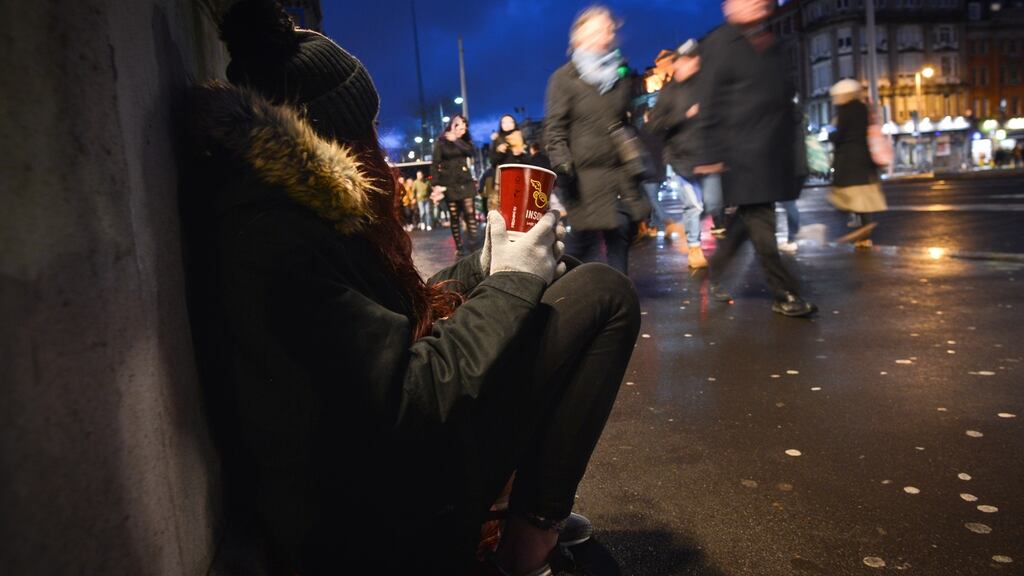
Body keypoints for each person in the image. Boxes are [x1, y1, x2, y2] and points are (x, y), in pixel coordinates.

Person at [187, 1, 641, 574]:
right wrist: (512, 280)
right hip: (371, 522)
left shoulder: (283, 209)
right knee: (605, 293)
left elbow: (384, 317)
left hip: (366, 483)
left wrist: (488, 266)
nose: (377, 144)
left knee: (570, 275)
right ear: (332, 137)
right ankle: (528, 543)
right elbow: (408, 397)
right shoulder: (276, 238)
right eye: (366, 127)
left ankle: (519, 506)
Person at [695, 0, 816, 316]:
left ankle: (716, 270)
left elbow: (784, 95)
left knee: (745, 225)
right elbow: (708, 101)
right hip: (741, 155)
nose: (758, 4)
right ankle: (785, 293)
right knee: (762, 226)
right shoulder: (719, 43)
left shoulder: (772, 42)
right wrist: (710, 154)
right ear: (729, 6)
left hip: (773, 153)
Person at [544, 5, 650, 275]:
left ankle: (618, 297)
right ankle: (563, 295)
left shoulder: (620, 74)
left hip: (618, 173)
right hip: (583, 177)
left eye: (607, 29)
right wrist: (563, 164)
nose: (604, 34)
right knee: (582, 244)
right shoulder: (564, 78)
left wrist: (634, 155)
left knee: (621, 235)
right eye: (596, 29)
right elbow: (554, 128)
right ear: (578, 36)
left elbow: (623, 123)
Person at [645, 39, 709, 267]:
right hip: (681, 158)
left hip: (707, 156)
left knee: (713, 204)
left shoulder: (703, 85)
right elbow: (653, 125)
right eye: (687, 60)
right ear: (677, 63)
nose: (692, 64)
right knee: (694, 204)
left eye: (695, 59)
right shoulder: (669, 92)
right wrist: (684, 116)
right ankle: (694, 247)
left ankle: (693, 237)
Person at [827, 78, 887, 248]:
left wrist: (832, 135)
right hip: (863, 160)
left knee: (843, 196)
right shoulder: (862, 109)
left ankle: (862, 230)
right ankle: (865, 235)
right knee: (864, 198)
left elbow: (840, 136)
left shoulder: (845, 111)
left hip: (848, 161)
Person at [432, 114, 479, 257]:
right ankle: (459, 245)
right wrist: (435, 184)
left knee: (470, 213)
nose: (462, 128)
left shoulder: (465, 141)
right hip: (449, 182)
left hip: (465, 181)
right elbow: (435, 163)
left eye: (465, 125)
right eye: (459, 124)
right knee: (454, 215)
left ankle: (474, 245)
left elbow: (471, 153)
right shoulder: (441, 142)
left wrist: (457, 140)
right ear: (452, 125)